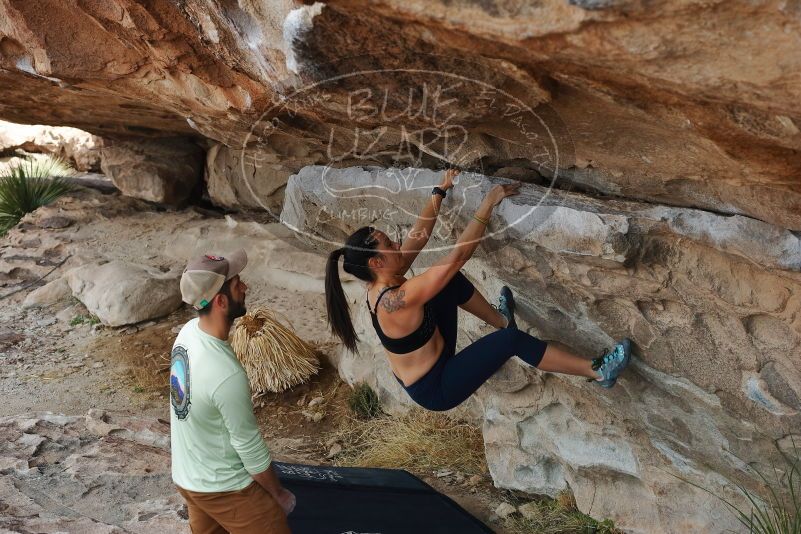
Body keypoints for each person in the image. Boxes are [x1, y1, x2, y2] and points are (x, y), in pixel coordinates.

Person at [325, 170, 631, 412]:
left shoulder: (384, 277)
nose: (397, 246)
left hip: (434, 352)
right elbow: (457, 257)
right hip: (436, 386)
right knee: (510, 341)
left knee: (448, 286)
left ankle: (501, 319)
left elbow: (418, 236)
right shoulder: (394, 301)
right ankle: (598, 372)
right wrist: (487, 204)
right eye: (390, 245)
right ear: (377, 262)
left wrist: (440, 190)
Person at [171, 250, 295, 534]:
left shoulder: (187, 333)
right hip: (225, 488)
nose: (245, 287)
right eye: (237, 283)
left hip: (188, 479)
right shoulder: (225, 374)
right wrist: (279, 495)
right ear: (221, 301)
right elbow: (250, 449)